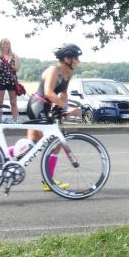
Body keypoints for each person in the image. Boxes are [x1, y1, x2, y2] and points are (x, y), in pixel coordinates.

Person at [23, 44, 81, 191]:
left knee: (32, 144)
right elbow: (49, 92)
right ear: (67, 59)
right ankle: (49, 182)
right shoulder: (54, 70)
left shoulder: (68, 72)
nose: (78, 61)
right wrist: (67, 108)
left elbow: (63, 94)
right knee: (55, 143)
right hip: (37, 105)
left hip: (46, 107)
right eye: (76, 58)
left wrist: (63, 109)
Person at [0, 38, 20, 122]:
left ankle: (15, 120)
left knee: (13, 101)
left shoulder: (15, 56)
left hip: (12, 80)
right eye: (3, 44)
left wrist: (10, 64)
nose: (5, 45)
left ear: (9, 45)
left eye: (7, 44)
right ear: (0, 45)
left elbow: (17, 68)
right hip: (1, 79)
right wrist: (0, 64)